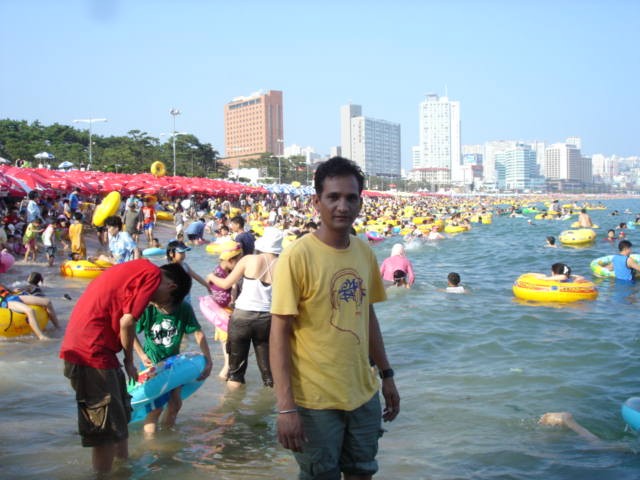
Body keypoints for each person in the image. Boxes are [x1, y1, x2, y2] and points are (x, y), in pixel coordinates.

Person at [270, 156, 400, 479]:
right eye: (333, 197)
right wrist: (286, 407)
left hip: (363, 394)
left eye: (351, 198)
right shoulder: (297, 256)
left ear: (360, 203)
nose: (343, 206)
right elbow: (279, 333)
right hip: (314, 403)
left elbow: (367, 317)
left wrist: (387, 375)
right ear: (317, 202)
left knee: (363, 472)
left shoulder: (364, 252)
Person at [59, 260, 187, 473]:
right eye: (161, 302)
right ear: (171, 287)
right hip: (91, 354)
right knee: (105, 431)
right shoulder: (152, 275)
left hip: (98, 352)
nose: (154, 304)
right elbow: (127, 322)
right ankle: (104, 476)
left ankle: (123, 470)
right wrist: (129, 360)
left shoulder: (137, 270)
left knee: (120, 417)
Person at [133, 266, 212, 438]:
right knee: (155, 409)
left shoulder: (184, 308)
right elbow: (129, 330)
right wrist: (141, 355)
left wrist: (208, 360)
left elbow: (198, 333)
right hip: (152, 364)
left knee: (176, 404)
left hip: (174, 364)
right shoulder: (148, 308)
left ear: (172, 288)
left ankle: (168, 437)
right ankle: (151, 445)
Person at [207, 227, 283, 390]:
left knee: (235, 373)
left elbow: (225, 284)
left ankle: (231, 404)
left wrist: (211, 276)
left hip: (242, 317)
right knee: (268, 371)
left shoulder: (248, 260)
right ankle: (272, 401)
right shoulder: (282, 265)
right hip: (266, 319)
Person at [201, 240, 243, 378]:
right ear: (230, 260)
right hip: (223, 317)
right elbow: (225, 288)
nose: (240, 263)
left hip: (226, 314)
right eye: (238, 260)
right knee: (228, 361)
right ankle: (224, 384)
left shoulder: (224, 271)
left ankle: (225, 381)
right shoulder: (218, 274)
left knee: (229, 356)